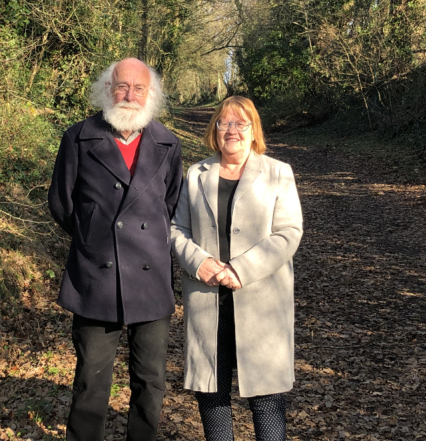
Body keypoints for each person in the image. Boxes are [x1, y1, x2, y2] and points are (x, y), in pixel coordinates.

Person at [48, 58, 183, 441]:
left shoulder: (168, 143)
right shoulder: (77, 137)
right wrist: (95, 235)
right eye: (122, 86)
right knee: (90, 382)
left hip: (150, 277)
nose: (130, 95)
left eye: (139, 89)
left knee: (151, 381)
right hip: (95, 276)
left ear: (151, 95)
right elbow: (62, 203)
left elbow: (169, 205)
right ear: (107, 89)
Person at [170, 96, 303, 441]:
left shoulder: (278, 172)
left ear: (253, 129)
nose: (232, 130)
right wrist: (199, 263)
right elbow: (176, 229)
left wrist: (240, 269)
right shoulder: (196, 174)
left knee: (266, 397)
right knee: (213, 395)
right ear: (215, 129)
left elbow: (289, 232)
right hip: (207, 299)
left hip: (261, 301)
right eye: (224, 123)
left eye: (240, 123)